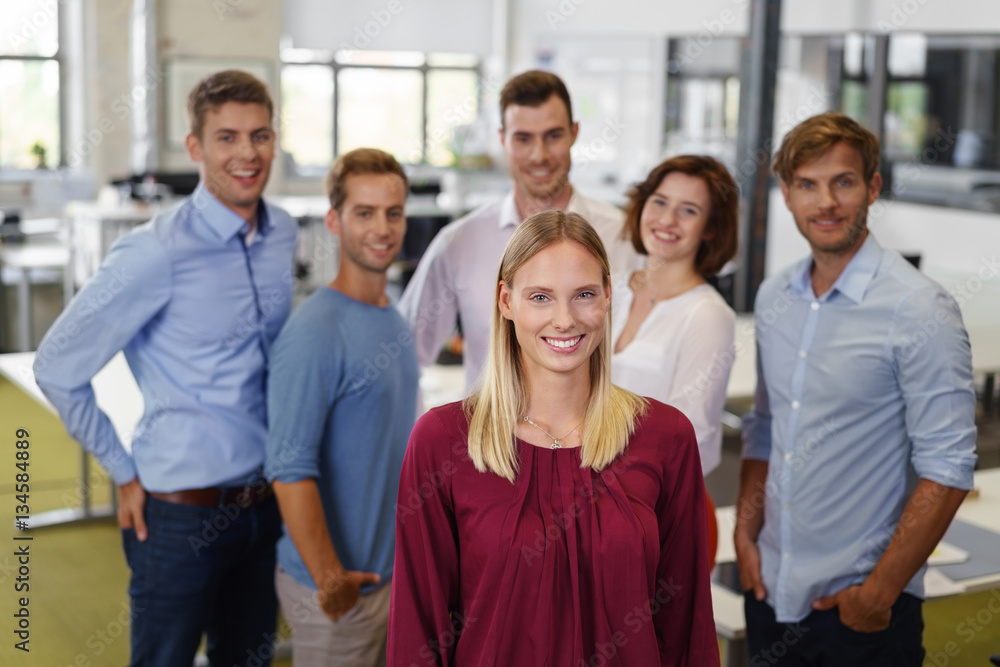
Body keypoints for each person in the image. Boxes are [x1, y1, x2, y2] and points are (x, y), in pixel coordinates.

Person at [33, 70, 296, 667]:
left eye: (260, 134)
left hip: (264, 503)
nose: (247, 152)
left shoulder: (281, 233)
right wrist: (124, 471)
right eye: (227, 137)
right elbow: (58, 366)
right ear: (196, 148)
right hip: (179, 513)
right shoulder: (156, 251)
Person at [388, 210, 719, 666]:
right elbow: (417, 632)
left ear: (607, 297)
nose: (564, 319)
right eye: (540, 297)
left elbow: (687, 629)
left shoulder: (665, 436)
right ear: (506, 301)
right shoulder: (442, 441)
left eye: (583, 294)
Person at [735, 111, 977, 665]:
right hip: (771, 594)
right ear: (787, 193)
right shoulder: (776, 297)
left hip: (861, 616)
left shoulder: (919, 309)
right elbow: (766, 430)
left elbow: (948, 467)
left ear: (872, 187)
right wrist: (746, 538)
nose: (826, 202)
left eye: (842, 182)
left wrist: (879, 593)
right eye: (808, 185)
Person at [265, 148, 418, 667]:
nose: (382, 227)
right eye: (364, 213)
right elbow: (288, 470)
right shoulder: (315, 331)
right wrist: (332, 582)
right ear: (334, 220)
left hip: (389, 580)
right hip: (338, 593)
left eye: (393, 213)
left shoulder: (393, 320)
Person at [398, 69, 642, 391]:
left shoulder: (624, 237)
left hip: (600, 437)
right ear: (502, 140)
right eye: (523, 138)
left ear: (574, 133)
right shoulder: (460, 242)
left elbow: (647, 355)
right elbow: (403, 356)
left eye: (553, 136)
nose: (539, 155)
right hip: (489, 439)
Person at [611, 155, 738, 475]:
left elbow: (690, 440)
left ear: (710, 227)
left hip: (651, 504)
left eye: (688, 210)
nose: (667, 220)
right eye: (660, 202)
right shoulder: (607, 288)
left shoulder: (707, 316)